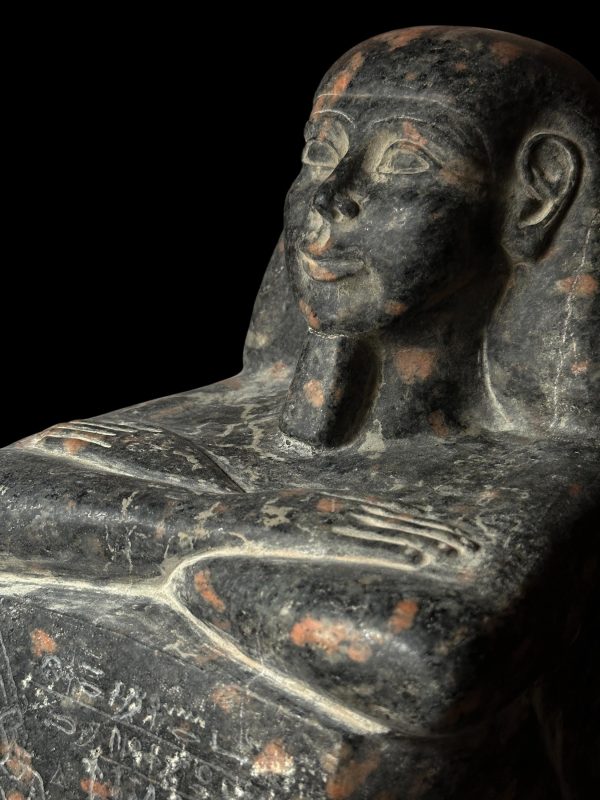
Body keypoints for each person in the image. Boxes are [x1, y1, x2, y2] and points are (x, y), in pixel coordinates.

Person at [0, 27, 598, 799]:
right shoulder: (211, 423)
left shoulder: (542, 474)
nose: (332, 196)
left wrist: (137, 522)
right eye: (322, 152)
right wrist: (250, 525)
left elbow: (425, 659)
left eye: (406, 161)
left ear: (536, 196)